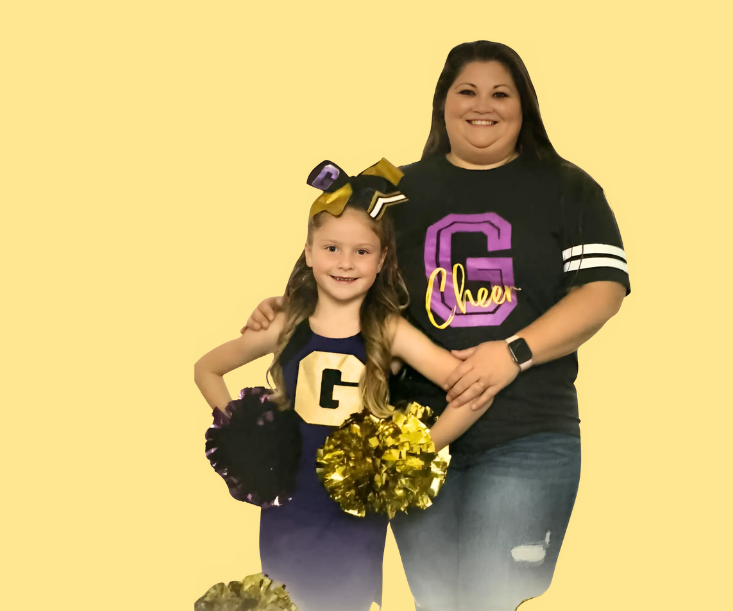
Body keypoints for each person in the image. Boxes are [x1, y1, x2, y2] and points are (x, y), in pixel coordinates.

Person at [242, 41, 630, 611]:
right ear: (442, 104)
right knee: (440, 602)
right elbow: (346, 270)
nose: (484, 106)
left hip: (528, 433)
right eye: (466, 92)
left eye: (501, 93)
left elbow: (603, 291)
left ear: (525, 106)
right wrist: (288, 305)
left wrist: (513, 352)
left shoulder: (568, 188)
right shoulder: (395, 191)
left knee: (486, 599)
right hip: (412, 437)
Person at [194, 159, 491, 611]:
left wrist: (421, 447)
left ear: (382, 260)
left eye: (362, 252)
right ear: (309, 252)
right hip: (288, 505)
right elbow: (206, 369)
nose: (345, 263)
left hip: (353, 509)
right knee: (283, 599)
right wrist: (244, 432)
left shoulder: (389, 330)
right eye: (331, 249)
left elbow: (472, 389)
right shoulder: (287, 322)